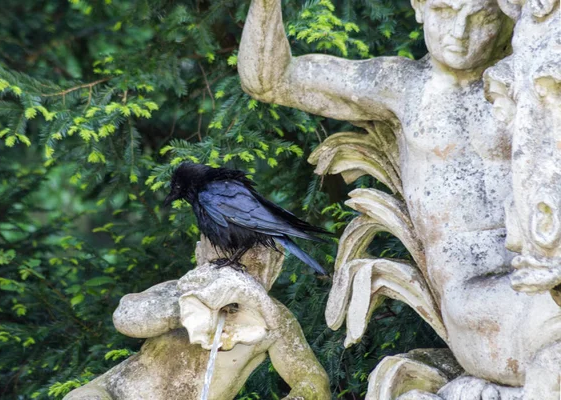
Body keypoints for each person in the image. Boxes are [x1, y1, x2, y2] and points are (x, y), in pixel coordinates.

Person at [238, 0, 561, 387]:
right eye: (444, 12)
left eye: (480, 18)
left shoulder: (533, 79)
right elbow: (271, 79)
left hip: (543, 276)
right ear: (420, 7)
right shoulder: (402, 86)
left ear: (507, 18)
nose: (459, 33)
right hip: (477, 302)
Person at [63, 237, 330, 400]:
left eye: (252, 268)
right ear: (200, 255)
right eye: (221, 262)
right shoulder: (176, 291)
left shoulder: (275, 320)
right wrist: (186, 308)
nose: (235, 275)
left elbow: (313, 380)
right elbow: (125, 318)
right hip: (113, 395)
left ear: (275, 267)